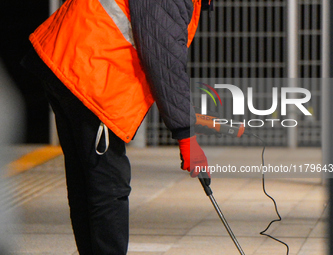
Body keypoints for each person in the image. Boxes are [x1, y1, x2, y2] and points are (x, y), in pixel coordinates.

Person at [22, 0, 211, 254]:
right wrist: (186, 136)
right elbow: (164, 61)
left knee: (86, 180)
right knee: (108, 185)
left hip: (70, 57)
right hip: (92, 71)